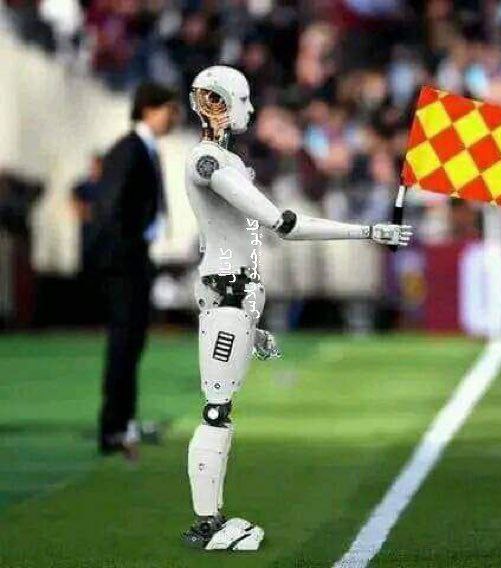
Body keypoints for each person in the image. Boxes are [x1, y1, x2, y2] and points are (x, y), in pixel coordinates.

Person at [181, 65, 412, 551]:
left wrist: (252, 322)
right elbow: (280, 223)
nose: (250, 109)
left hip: (235, 296)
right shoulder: (209, 163)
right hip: (226, 293)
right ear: (217, 102)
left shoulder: (225, 161)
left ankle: (212, 519)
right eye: (242, 100)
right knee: (217, 409)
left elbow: (248, 235)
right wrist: (367, 231)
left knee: (222, 408)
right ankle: (208, 524)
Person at [90, 83, 179, 458]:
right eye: (169, 110)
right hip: (124, 261)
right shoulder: (128, 150)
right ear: (148, 109)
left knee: (132, 342)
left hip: (135, 257)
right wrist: (122, 250)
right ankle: (113, 428)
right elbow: (109, 205)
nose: (174, 118)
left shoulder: (144, 149)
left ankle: (123, 421)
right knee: (124, 343)